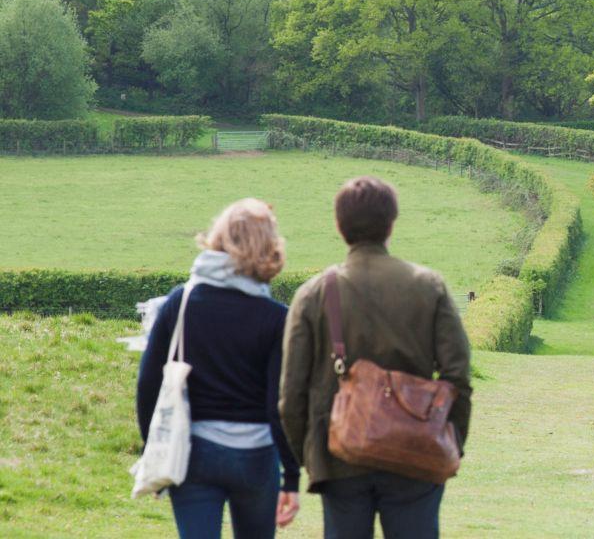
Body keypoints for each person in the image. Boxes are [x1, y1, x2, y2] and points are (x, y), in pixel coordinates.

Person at [279, 176, 472, 539]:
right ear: (391, 223)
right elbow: (457, 375)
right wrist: (451, 441)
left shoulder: (314, 294)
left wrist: (311, 456)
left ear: (339, 226)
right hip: (416, 451)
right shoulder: (429, 286)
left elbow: (291, 394)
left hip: (340, 458)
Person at [136, 198, 302, 538]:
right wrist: (292, 476)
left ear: (217, 238)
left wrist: (151, 450)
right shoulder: (276, 317)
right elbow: (278, 405)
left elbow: (147, 384)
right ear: (269, 248)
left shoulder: (179, 303)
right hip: (256, 457)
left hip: (192, 454)